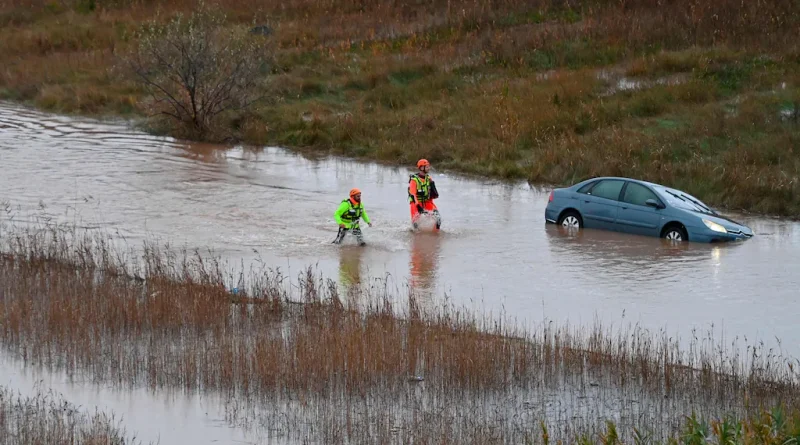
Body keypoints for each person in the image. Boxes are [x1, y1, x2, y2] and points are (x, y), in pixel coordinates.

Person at [408, 159, 441, 230]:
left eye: (428, 166)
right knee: (416, 224)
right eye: (427, 167)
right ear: (421, 168)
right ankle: (416, 237)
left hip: (427, 201)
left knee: (438, 219)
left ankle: (435, 235)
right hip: (415, 202)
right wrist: (418, 206)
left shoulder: (428, 178)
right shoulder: (414, 180)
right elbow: (412, 195)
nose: (428, 168)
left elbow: (433, 194)